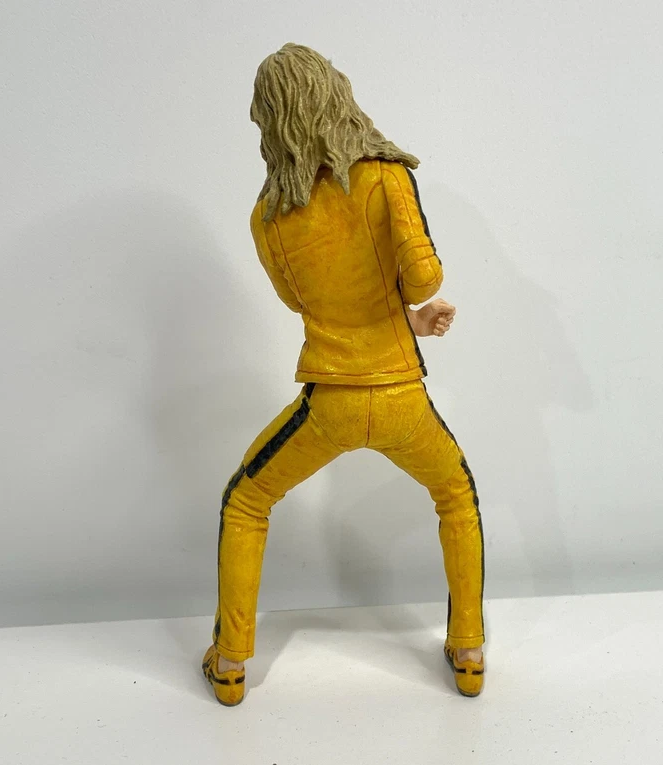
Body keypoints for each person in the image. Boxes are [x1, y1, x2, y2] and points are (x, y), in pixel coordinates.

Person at [202, 43, 485, 706]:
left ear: (272, 119)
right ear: (335, 93)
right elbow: (424, 277)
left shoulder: (268, 215)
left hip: (329, 403)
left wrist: (402, 319)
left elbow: (307, 304)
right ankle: (469, 651)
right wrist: (413, 313)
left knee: (247, 501)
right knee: (455, 495)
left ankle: (231, 662)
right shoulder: (384, 175)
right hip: (402, 401)